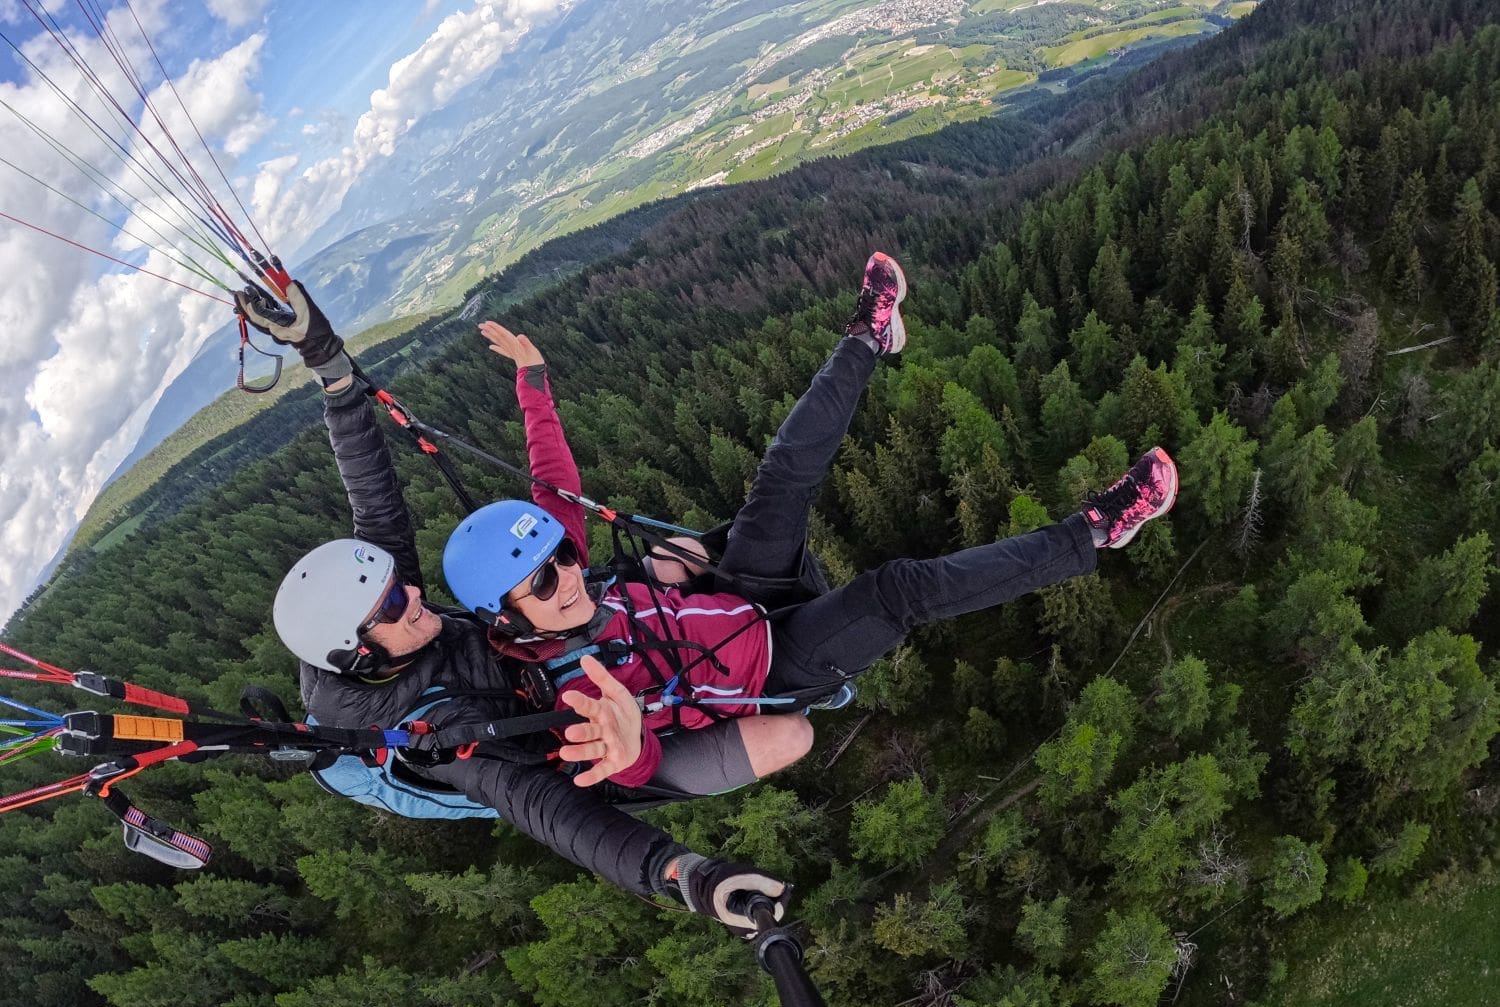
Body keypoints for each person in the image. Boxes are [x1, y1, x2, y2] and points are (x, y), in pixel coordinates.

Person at [443, 252, 1179, 790]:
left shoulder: (556, 578)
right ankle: (1096, 531)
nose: (568, 573)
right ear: (504, 619)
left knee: (781, 477)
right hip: (777, 664)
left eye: (562, 559)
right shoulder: (575, 694)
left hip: (734, 591)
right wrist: (634, 751)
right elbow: (639, 769)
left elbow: (553, 485)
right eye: (544, 579)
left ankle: (867, 337)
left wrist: (534, 382)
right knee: (899, 590)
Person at [235, 279, 812, 932]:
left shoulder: (383, 626)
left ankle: (749, 612)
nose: (417, 594)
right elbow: (546, 809)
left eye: (400, 581)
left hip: (538, 659)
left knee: (684, 555)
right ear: (361, 653)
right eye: (395, 601)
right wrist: (684, 874)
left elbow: (374, 496)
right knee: (787, 732)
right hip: (574, 748)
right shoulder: (439, 737)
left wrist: (329, 368)